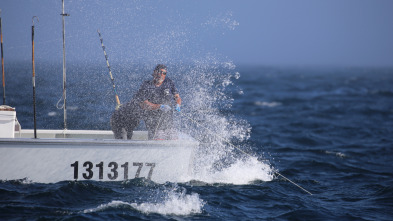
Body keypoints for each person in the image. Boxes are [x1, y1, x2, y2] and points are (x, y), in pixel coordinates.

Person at [135, 64, 181, 140]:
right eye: (159, 72)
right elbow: (143, 104)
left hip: (168, 123)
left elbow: (177, 97)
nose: (161, 75)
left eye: (164, 73)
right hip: (154, 124)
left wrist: (178, 104)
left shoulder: (169, 83)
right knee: (159, 140)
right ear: (154, 72)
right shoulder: (146, 85)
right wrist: (159, 106)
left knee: (174, 140)